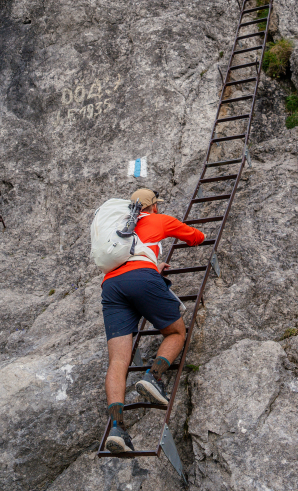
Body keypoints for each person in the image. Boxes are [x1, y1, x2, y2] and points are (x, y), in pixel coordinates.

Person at [102, 188, 205, 453]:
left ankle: (117, 429)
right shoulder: (158, 219)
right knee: (176, 333)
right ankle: (153, 376)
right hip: (142, 277)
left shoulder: (118, 227)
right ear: (154, 206)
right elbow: (195, 237)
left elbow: (128, 260)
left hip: (111, 285)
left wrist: (152, 266)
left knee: (118, 361)